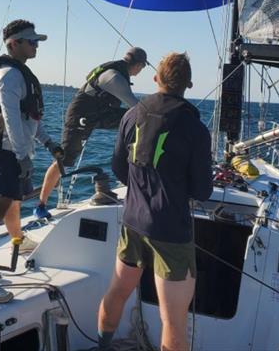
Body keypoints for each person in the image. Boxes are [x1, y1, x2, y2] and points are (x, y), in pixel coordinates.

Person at [97, 52, 212, 351]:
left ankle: (102, 345)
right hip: (171, 233)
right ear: (188, 84)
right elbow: (202, 191)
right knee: (172, 321)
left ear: (155, 79)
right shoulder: (195, 129)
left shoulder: (131, 115)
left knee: (117, 292)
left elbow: (119, 168)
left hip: (133, 223)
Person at [0, 19, 60, 304]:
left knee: (14, 200)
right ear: (14, 44)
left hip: (18, 151)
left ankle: (18, 241)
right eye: (31, 41)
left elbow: (31, 118)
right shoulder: (9, 77)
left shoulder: (22, 75)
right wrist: (22, 157)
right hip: (7, 152)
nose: (36, 46)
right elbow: (10, 121)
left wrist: (48, 142)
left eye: (36, 41)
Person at [34, 47, 147, 220]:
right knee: (65, 160)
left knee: (135, 121)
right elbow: (135, 105)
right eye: (143, 67)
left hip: (99, 113)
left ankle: (137, 167)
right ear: (138, 65)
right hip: (81, 115)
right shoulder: (115, 77)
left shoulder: (120, 72)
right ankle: (40, 205)